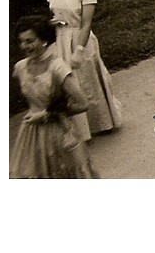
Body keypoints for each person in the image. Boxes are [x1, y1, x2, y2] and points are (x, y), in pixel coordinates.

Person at [47, 0, 122, 140]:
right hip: (60, 38)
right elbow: (54, 14)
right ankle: (76, 129)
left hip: (80, 38)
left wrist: (79, 50)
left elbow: (86, 23)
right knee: (66, 81)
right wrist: (53, 23)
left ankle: (100, 123)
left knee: (87, 80)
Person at [11, 16, 97, 178]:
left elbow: (83, 103)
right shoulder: (21, 67)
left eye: (30, 41)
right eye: (21, 41)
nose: (24, 46)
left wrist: (48, 114)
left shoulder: (58, 68)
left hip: (58, 131)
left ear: (44, 40)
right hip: (31, 133)